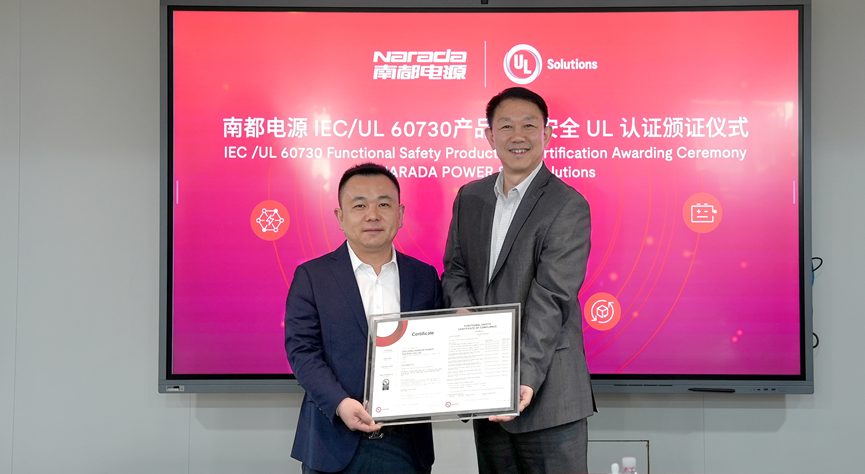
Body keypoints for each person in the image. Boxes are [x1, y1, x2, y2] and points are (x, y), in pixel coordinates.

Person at [442, 87, 594, 474]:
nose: (518, 136)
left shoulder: (567, 204)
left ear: (547, 134)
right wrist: (464, 318)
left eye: (529, 125)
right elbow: (455, 270)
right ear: (490, 136)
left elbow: (552, 298)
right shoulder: (470, 197)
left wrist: (522, 378)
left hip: (548, 394)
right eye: (506, 126)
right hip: (486, 389)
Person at [285, 163, 441, 474]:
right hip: (332, 441)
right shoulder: (313, 277)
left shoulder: (424, 277)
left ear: (400, 214)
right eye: (359, 205)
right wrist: (340, 403)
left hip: (406, 446)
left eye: (384, 204)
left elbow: (439, 348)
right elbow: (302, 352)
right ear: (340, 217)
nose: (372, 215)